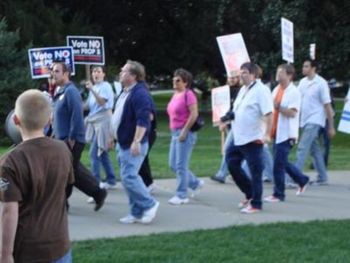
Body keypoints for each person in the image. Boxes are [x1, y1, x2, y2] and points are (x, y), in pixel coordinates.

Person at [0, 89, 73, 262]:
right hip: (61, 247)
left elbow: (9, 212)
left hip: (28, 252)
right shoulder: (63, 150)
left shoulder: (9, 162)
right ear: (49, 120)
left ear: (16, 120)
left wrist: (5, 254)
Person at [51, 61, 107, 211]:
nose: (53, 74)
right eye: (52, 71)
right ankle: (98, 192)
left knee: (65, 173)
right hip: (61, 140)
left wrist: (72, 137)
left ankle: (63, 203)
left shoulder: (71, 91)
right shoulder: (60, 91)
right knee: (72, 171)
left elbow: (77, 114)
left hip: (71, 140)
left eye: (56, 71)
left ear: (66, 73)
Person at [111, 60, 159, 224]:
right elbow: (118, 116)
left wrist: (137, 140)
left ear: (133, 76)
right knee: (128, 178)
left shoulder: (140, 93)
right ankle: (136, 212)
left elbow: (144, 119)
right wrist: (112, 136)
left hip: (133, 143)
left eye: (123, 71)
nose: (120, 73)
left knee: (129, 177)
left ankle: (150, 204)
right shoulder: (125, 92)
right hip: (122, 141)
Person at [226, 62, 273, 214]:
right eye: (241, 72)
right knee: (232, 163)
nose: (241, 75)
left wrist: (267, 134)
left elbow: (269, 113)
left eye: (245, 72)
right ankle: (250, 194)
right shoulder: (243, 90)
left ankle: (256, 204)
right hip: (239, 137)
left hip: (253, 138)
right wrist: (227, 117)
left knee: (255, 171)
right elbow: (237, 110)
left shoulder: (261, 90)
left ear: (254, 74)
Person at [264, 64, 309, 203]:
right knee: (281, 162)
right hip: (275, 132)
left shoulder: (294, 92)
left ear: (289, 75)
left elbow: (293, 113)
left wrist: (279, 107)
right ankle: (302, 179)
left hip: (287, 134)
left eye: (281, 72)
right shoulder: (276, 89)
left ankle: (278, 194)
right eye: (277, 71)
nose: (278, 74)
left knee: (278, 164)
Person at [167, 68, 204, 205]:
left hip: (185, 133)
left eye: (178, 80)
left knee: (181, 165)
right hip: (174, 132)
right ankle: (195, 183)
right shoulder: (175, 94)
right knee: (173, 164)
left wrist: (184, 131)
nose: (174, 82)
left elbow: (194, 114)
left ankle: (182, 195)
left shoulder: (189, 95)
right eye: (174, 79)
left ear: (185, 82)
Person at [295, 59, 336, 185]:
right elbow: (297, 100)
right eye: (303, 66)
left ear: (313, 68)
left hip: (315, 120)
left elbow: (328, 106)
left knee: (302, 147)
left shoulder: (321, 83)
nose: (303, 68)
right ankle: (322, 177)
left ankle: (294, 177)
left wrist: (331, 126)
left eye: (306, 66)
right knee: (314, 149)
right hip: (304, 120)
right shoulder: (302, 82)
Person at [85, 65, 117, 191]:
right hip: (94, 122)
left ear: (104, 74)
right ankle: (111, 179)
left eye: (98, 71)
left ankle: (96, 184)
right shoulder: (95, 87)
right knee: (102, 153)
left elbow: (102, 103)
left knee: (94, 154)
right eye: (93, 71)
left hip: (103, 122)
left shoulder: (105, 86)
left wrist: (92, 89)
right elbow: (88, 105)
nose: (95, 74)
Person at [211, 70, 241, 184]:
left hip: (235, 123)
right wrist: (221, 121)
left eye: (234, 78)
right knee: (241, 151)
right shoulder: (224, 91)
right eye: (230, 77)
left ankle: (222, 174)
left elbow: (234, 109)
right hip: (229, 123)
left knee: (228, 149)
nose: (231, 79)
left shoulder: (240, 91)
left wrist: (224, 121)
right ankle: (239, 172)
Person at [138, 100, 157, 193]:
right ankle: (147, 183)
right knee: (143, 159)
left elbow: (150, 117)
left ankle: (148, 183)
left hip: (148, 133)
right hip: (143, 133)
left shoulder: (144, 98)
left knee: (141, 159)